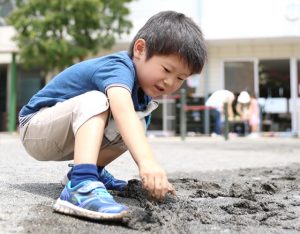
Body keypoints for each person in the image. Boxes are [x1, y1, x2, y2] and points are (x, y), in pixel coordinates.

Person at [18, 11, 207, 221]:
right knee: (99, 101)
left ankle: (90, 170)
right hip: (35, 128)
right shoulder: (118, 67)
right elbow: (122, 111)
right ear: (140, 49)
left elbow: (130, 120)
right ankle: (81, 184)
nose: (170, 82)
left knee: (139, 119)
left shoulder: (142, 96)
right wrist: (148, 163)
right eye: (166, 69)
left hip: (63, 135)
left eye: (180, 78)